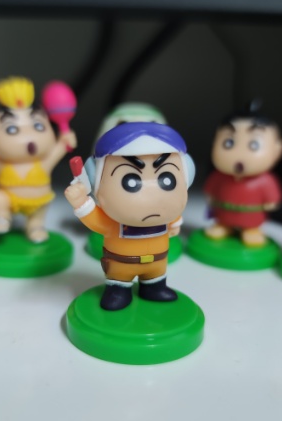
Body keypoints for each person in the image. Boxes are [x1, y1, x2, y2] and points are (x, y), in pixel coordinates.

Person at [64, 122, 195, 311]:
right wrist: (81, 202)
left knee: (156, 277)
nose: (151, 194)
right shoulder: (113, 223)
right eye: (131, 181)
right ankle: (118, 291)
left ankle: (155, 287)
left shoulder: (166, 217)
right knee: (119, 281)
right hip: (121, 265)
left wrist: (175, 223)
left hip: (158, 262)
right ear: (95, 181)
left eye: (167, 179)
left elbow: (173, 220)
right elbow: (96, 221)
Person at [0, 76, 77, 242]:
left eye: (38, 125)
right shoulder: (1, 163)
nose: (29, 136)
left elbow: (63, 147)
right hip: (10, 200)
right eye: (12, 129)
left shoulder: (44, 162)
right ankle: (2, 218)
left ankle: (35, 227)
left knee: (36, 219)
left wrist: (65, 140)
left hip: (39, 201)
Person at [203, 102, 282, 246]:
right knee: (223, 220)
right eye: (228, 143)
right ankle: (224, 226)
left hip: (251, 215)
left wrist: (271, 202)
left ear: (277, 150)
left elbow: (272, 200)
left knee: (251, 225)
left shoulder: (265, 180)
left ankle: (251, 230)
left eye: (254, 145)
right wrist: (210, 197)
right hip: (224, 211)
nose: (239, 155)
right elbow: (210, 190)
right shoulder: (219, 176)